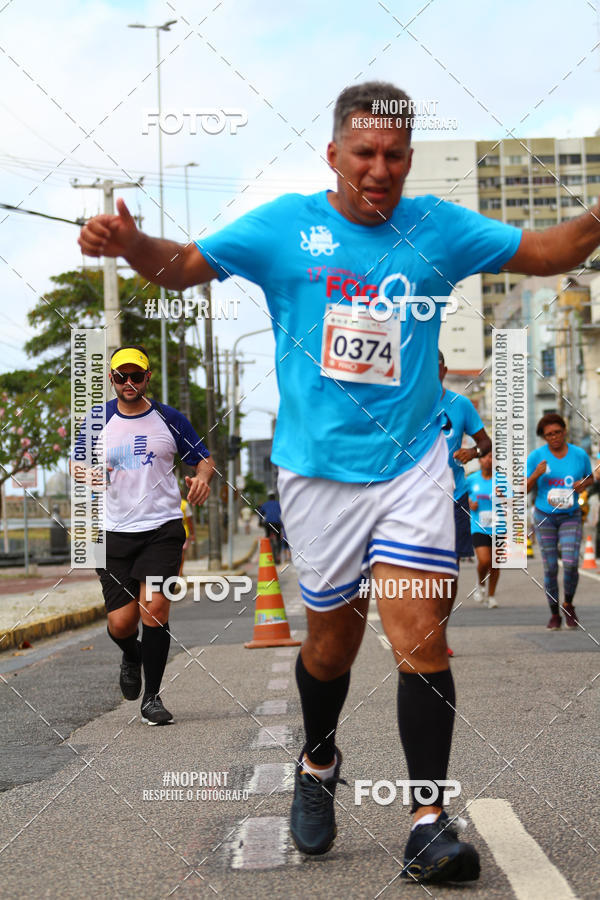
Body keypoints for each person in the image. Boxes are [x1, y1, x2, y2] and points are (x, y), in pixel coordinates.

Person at [78, 80, 600, 884]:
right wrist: (132, 243)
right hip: (317, 475)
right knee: (332, 644)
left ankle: (429, 820)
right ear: (334, 154)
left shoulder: (441, 229)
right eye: (365, 152)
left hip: (414, 464)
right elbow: (183, 268)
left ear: (409, 159)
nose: (380, 167)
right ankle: (318, 760)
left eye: (395, 154)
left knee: (422, 632)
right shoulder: (286, 226)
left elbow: (551, 251)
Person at [71, 345, 214, 724]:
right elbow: (77, 463)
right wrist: (86, 475)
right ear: (112, 379)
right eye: (122, 376)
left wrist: (201, 479)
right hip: (112, 533)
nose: (129, 382)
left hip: (162, 529)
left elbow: (204, 458)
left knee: (155, 607)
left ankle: (152, 697)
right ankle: (131, 655)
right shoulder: (96, 419)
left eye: (136, 376)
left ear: (147, 377)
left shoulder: (170, 419)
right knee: (121, 623)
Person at [438, 350, 492, 638]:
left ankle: (439, 631)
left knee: (450, 568)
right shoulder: (405, 404)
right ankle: (420, 630)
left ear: (444, 371)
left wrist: (473, 451)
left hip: (455, 495)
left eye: (434, 368)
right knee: (416, 568)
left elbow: (485, 441)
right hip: (414, 497)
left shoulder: (460, 404)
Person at [527, 414, 592, 629]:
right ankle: (554, 612)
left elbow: (590, 477)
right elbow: (523, 488)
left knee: (572, 563)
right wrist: (536, 474)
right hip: (545, 515)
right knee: (551, 567)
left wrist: (584, 483)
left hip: (570, 514)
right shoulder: (536, 457)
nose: (553, 437)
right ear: (544, 438)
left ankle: (568, 604)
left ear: (564, 431)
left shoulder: (579, 454)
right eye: (548, 435)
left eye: (557, 432)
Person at [466, 451, 500, 608]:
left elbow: (513, 501)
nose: (489, 460)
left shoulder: (502, 480)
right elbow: (460, 494)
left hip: (499, 527)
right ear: (479, 461)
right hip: (478, 526)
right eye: (485, 457)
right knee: (485, 560)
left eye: (492, 457)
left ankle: (491, 595)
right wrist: (469, 503)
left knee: (495, 564)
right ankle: (480, 584)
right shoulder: (472, 479)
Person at [257, 492, 283, 562]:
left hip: (268, 523)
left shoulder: (265, 504)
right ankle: (278, 556)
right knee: (278, 539)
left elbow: (260, 513)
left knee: (267, 538)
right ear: (274, 497)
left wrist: (260, 522)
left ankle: (268, 554)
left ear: (269, 498)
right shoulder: (278, 504)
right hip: (277, 523)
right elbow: (282, 513)